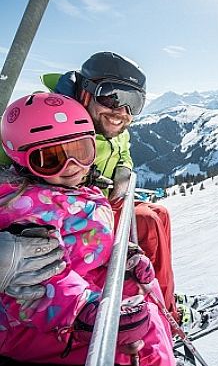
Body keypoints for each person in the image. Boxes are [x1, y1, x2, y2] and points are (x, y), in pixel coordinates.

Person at [0, 52, 178, 322]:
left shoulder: (108, 124)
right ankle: (162, 316)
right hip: (56, 215)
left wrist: (124, 167)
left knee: (160, 214)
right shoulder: (44, 118)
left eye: (133, 102)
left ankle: (165, 304)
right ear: (85, 91)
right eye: (112, 96)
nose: (122, 111)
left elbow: (123, 146)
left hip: (95, 203)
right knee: (148, 222)